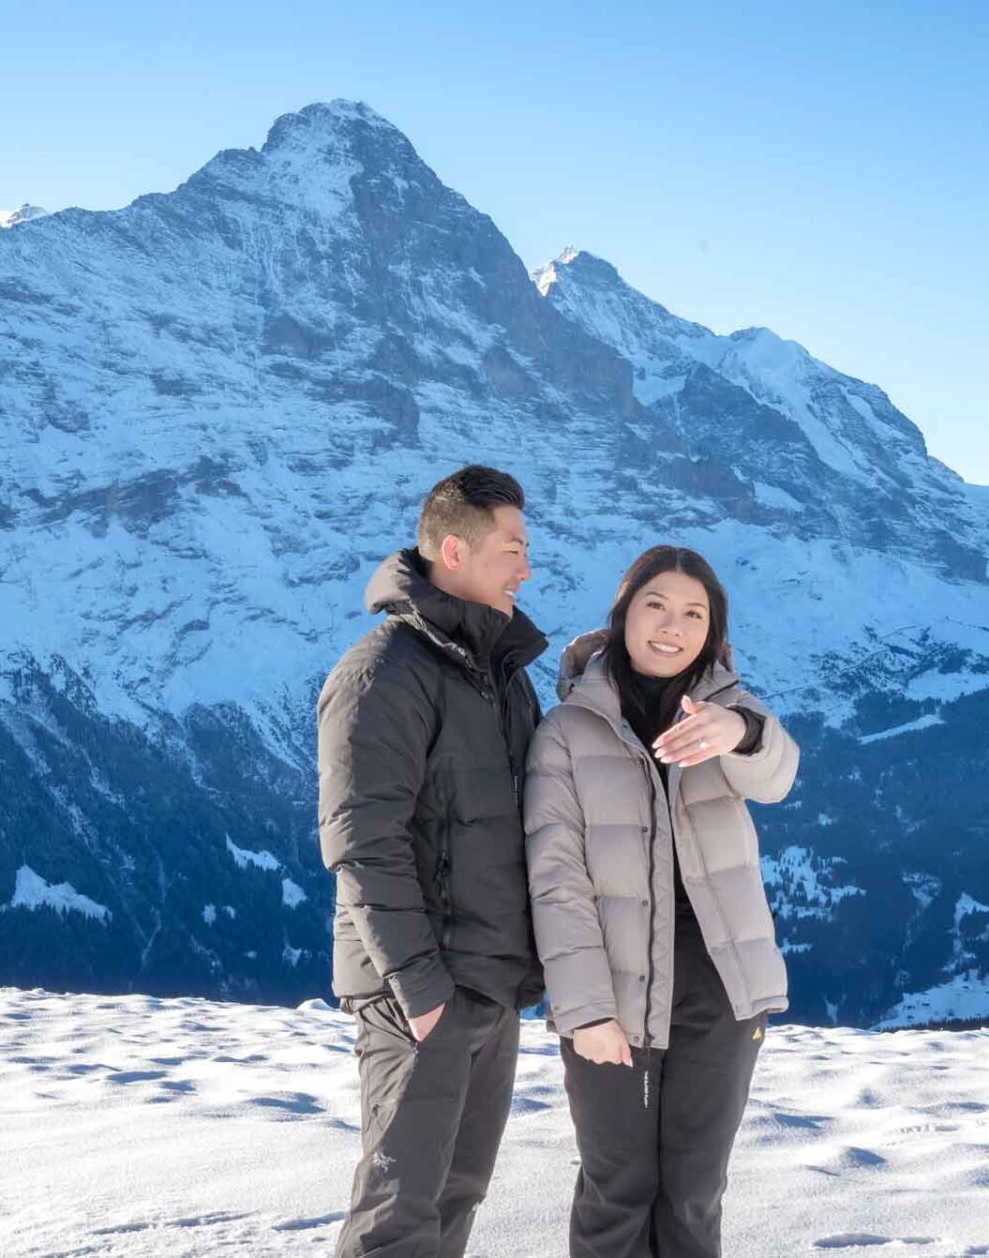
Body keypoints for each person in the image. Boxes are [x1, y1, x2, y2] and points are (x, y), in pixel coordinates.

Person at [525, 544, 800, 1258]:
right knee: (617, 1190)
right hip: (614, 993)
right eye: (655, 605)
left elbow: (778, 774)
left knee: (694, 1193)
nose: (672, 626)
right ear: (622, 615)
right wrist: (584, 1009)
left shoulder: (728, 714)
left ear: (713, 631)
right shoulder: (566, 732)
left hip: (719, 990)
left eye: (693, 613)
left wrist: (737, 733)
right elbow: (556, 879)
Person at [318, 464, 549, 1257]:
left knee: (454, 1201)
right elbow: (361, 841)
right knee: (398, 1220)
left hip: (489, 985)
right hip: (420, 990)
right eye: (513, 547)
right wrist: (421, 991)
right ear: (455, 551)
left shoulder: (500, 678)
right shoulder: (385, 672)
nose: (527, 566)